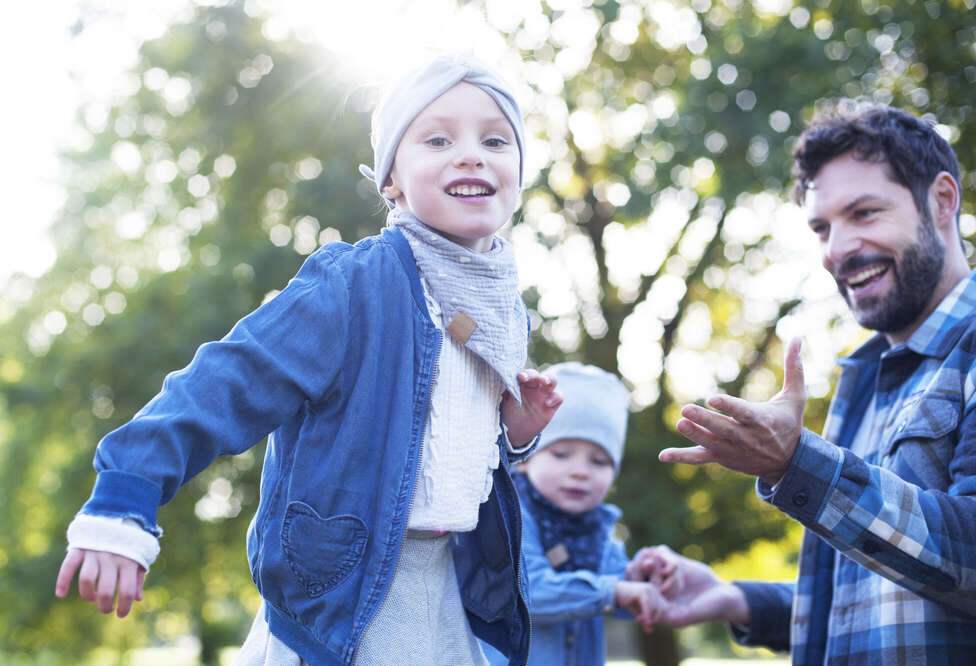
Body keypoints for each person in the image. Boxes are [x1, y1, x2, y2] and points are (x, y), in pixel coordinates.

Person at [53, 54, 564, 666]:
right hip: (345, 593)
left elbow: (448, 446)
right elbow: (228, 379)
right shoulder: (354, 286)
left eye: (495, 140)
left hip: (444, 589)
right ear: (391, 181)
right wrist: (126, 492)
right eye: (436, 139)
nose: (471, 154)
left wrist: (515, 434)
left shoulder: (500, 306)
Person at [630, 105, 976, 663]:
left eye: (864, 213)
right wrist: (733, 600)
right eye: (822, 227)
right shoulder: (862, 379)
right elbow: (877, 606)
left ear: (941, 201)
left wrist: (799, 465)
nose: (836, 249)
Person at [483, 362, 675, 666]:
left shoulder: (601, 530)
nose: (580, 472)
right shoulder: (513, 515)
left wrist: (640, 577)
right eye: (561, 454)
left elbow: (619, 599)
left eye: (599, 461)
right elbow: (528, 594)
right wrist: (615, 590)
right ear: (526, 460)